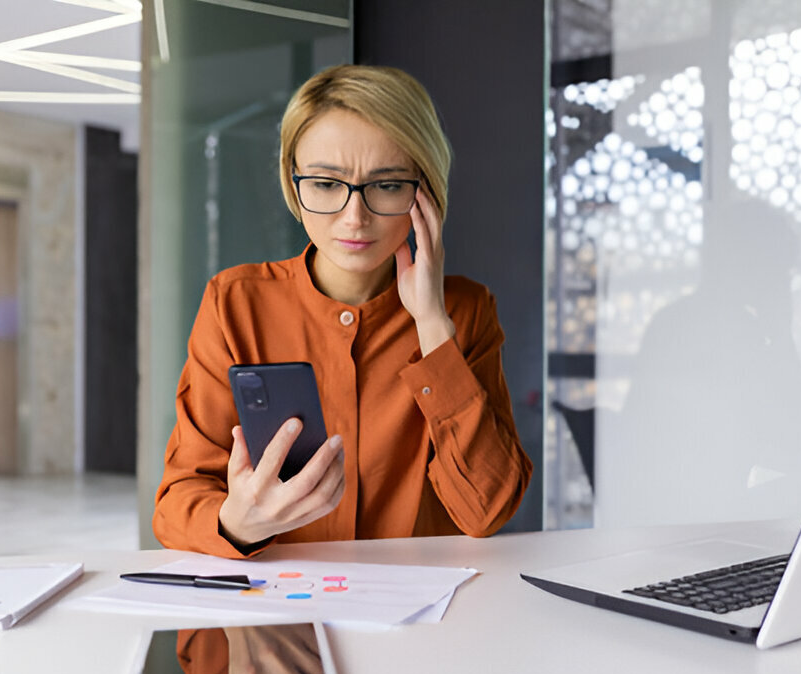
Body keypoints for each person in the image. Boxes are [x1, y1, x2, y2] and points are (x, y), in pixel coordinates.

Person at [153, 64, 532, 558]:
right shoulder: (235, 303)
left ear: (425, 192)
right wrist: (237, 523)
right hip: (279, 611)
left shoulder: (465, 310)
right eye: (327, 184)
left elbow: (488, 510)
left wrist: (433, 327)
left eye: (388, 185)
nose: (355, 217)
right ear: (295, 185)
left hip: (419, 619)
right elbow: (177, 502)